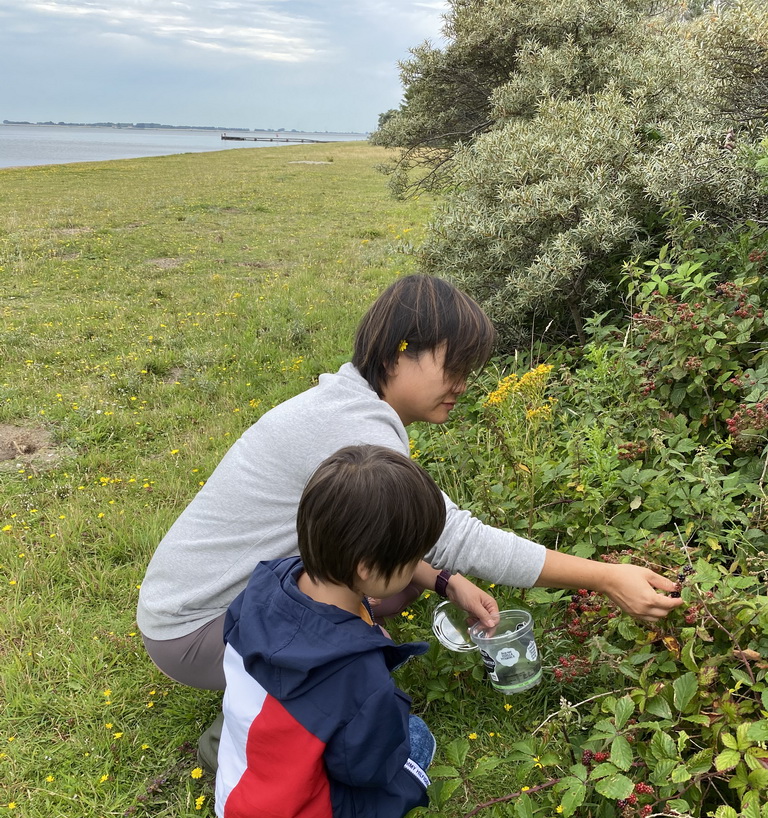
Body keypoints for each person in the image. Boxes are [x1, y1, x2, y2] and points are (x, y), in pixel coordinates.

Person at [137, 273, 682, 693]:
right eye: (455, 367)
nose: (464, 385)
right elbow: (457, 537)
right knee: (360, 657)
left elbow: (394, 537)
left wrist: (446, 582)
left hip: (202, 605)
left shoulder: (347, 403)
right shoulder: (351, 427)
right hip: (193, 630)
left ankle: (297, 673)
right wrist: (608, 578)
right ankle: (259, 719)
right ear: (400, 351)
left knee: (395, 582)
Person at [215, 445, 446, 818]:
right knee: (417, 740)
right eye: (412, 558)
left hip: (241, 794)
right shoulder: (359, 675)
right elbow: (367, 767)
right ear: (366, 569)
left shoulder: (267, 582)